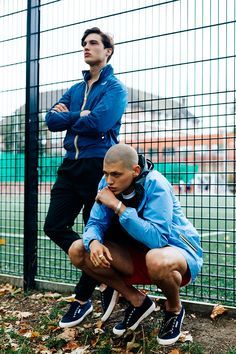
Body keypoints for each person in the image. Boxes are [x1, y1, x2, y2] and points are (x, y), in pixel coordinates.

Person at [68, 144, 203, 346]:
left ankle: (174, 309)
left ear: (135, 171)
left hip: (176, 250)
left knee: (156, 259)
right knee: (78, 250)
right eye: (105, 174)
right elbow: (95, 224)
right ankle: (137, 300)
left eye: (116, 174)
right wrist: (94, 242)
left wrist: (117, 206)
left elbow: (158, 239)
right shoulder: (106, 184)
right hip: (138, 253)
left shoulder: (156, 184)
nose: (109, 180)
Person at [44, 27, 128, 328]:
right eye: (84, 44)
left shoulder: (115, 89)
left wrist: (73, 116)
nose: (86, 47)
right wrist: (79, 114)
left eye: (93, 43)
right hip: (70, 165)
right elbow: (50, 120)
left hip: (97, 166)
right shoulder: (76, 89)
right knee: (53, 225)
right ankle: (105, 282)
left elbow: (100, 122)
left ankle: (82, 300)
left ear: (108, 50)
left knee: (96, 233)